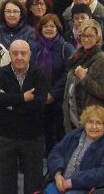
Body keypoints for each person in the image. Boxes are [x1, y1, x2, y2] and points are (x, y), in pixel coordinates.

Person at [0, 39, 49, 193]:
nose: (19, 57)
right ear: (9, 55)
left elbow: (38, 105)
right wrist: (22, 98)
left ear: (30, 55)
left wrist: (9, 103)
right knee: (4, 182)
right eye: (15, 53)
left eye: (23, 53)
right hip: (5, 136)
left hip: (33, 137)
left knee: (34, 182)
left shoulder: (40, 74)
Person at [46, 105, 104, 194]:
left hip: (90, 188)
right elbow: (56, 152)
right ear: (85, 123)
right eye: (90, 122)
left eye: (98, 123)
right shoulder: (74, 135)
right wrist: (57, 174)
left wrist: (73, 182)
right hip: (62, 182)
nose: (94, 127)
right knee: (50, 190)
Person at [31, 14, 74, 153]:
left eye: (52, 26)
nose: (49, 29)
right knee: (46, 136)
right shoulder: (35, 47)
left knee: (60, 136)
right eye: (45, 26)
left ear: (58, 28)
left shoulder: (66, 47)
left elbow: (68, 73)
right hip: (40, 100)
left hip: (59, 101)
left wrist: (53, 94)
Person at [63, 20, 104, 132]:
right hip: (73, 113)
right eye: (84, 35)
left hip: (90, 116)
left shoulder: (101, 59)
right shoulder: (77, 55)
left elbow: (103, 91)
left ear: (97, 37)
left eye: (90, 36)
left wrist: (84, 78)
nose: (86, 39)